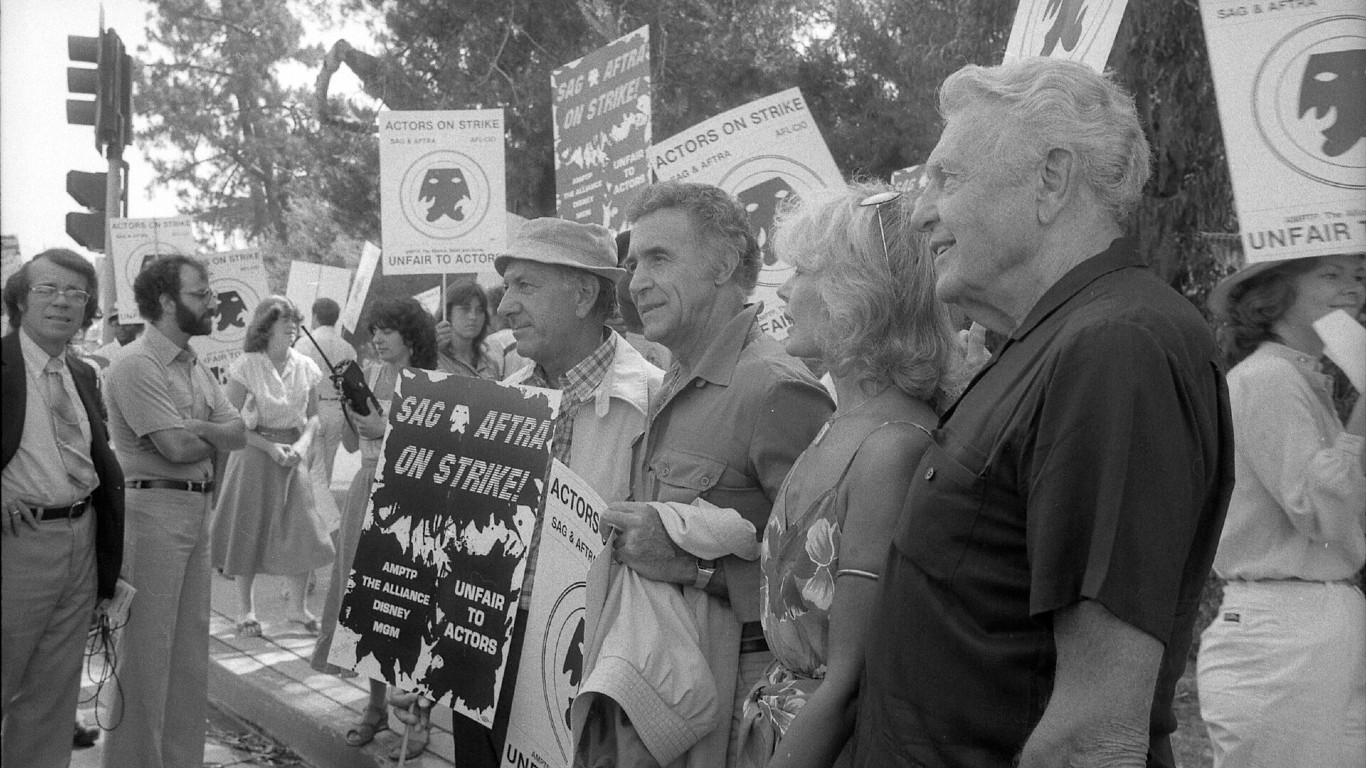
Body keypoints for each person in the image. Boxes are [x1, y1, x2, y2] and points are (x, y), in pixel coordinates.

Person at [850, 58, 1234, 768]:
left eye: (947, 179)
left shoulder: (1117, 349)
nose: (919, 209)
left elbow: (1096, 734)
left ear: (1052, 180)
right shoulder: (1054, 343)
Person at [391, 216, 665, 768]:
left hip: (590, 672)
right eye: (507, 286)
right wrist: (425, 657)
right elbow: (460, 547)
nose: (505, 306)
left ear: (585, 293)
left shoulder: (654, 405)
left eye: (526, 286)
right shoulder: (496, 402)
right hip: (482, 656)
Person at [602, 181, 834, 766]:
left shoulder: (777, 389)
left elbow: (825, 596)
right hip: (664, 694)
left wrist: (697, 566)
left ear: (725, 264)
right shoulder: (669, 384)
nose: (638, 282)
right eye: (633, 264)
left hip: (737, 707)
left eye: (659, 258)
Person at [732, 182, 955, 768]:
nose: (784, 287)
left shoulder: (891, 448)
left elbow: (849, 680)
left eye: (802, 268)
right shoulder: (841, 421)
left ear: (855, 293)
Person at [1197, 253, 1366, 768]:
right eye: (1330, 274)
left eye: (1358, 276)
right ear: (1275, 295)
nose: (1352, 289)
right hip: (1284, 633)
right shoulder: (1268, 379)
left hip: (1315, 625)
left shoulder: (1303, 379)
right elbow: (1320, 515)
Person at [101, 254, 246, 768]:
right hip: (152, 512)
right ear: (166, 302)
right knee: (145, 654)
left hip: (192, 512)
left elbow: (238, 434)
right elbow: (176, 449)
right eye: (200, 294)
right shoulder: (136, 364)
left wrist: (199, 426)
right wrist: (206, 432)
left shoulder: (194, 363)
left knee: (187, 654)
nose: (212, 303)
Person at [2, 249, 124, 768]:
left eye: (77, 293)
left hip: (81, 541)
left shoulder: (82, 372)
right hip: (18, 545)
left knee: (53, 695)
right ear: (21, 299)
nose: (63, 302)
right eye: (49, 289)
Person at [310, 296, 437, 762]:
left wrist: (386, 428)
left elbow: (437, 448)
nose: (378, 339)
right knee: (366, 601)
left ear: (410, 334)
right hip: (367, 487)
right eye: (374, 331)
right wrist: (349, 407)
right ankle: (375, 705)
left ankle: (416, 715)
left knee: (407, 603)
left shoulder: (428, 380)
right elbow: (349, 442)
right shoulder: (372, 372)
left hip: (408, 495)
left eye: (387, 330)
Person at [209, 296, 335, 636]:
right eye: (284, 321)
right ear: (266, 327)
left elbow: (312, 417)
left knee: (302, 528)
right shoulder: (247, 365)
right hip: (252, 452)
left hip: (293, 454)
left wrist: (301, 446)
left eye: (295, 320)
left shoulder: (306, 366)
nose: (292, 327)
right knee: (248, 527)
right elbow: (231, 420)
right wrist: (267, 447)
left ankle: (297, 608)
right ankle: (244, 609)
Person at [295, 297, 356, 485]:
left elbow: (298, 382)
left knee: (313, 467)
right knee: (326, 468)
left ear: (315, 316)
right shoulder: (348, 349)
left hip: (312, 410)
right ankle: (322, 508)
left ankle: (317, 509)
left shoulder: (303, 344)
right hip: (337, 411)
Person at [436, 280, 502, 379]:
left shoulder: (491, 364)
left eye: (479, 310)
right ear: (449, 313)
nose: (473, 316)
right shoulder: (435, 361)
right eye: (465, 309)